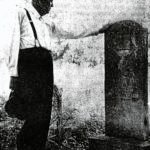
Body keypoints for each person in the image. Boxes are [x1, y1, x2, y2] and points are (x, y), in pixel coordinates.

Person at [1, 0, 103, 149]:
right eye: (50, 1)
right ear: (38, 1)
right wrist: (13, 75)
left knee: (44, 115)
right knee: (33, 114)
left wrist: (98, 30)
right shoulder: (21, 13)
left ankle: (36, 146)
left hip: (45, 67)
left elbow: (69, 31)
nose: (52, 5)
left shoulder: (46, 22)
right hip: (29, 67)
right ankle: (24, 145)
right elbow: (11, 44)